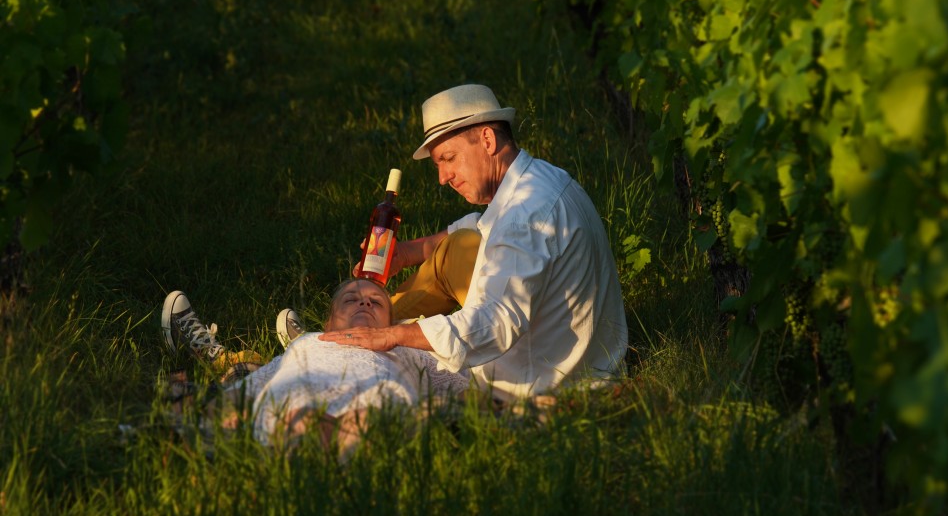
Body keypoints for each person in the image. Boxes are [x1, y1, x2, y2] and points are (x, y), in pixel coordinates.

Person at [323, 84, 628, 400]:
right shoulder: (542, 180)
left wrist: (396, 334)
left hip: (538, 384)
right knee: (456, 249)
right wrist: (406, 252)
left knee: (394, 358)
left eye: (449, 158)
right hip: (586, 364)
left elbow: (495, 324)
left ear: (487, 139)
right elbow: (479, 228)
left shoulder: (524, 214)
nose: (443, 177)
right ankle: (351, 333)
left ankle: (337, 341)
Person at [160, 278, 470, 453]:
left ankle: (308, 453)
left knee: (363, 422)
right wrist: (225, 402)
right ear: (328, 324)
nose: (364, 303)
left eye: (376, 303)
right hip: (291, 404)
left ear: (391, 322)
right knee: (283, 413)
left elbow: (455, 379)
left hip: (373, 406)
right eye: (351, 300)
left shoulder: (402, 347)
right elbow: (266, 377)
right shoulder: (309, 342)